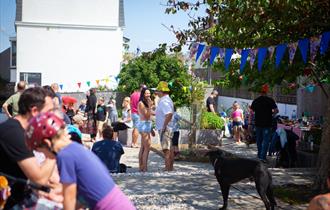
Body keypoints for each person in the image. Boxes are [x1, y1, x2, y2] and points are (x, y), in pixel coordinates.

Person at [25, 112, 135, 210]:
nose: (45, 156)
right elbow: (84, 196)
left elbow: (70, 200)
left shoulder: (65, 155)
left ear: (47, 143)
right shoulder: (76, 149)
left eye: (41, 152)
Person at [0, 87, 57, 209]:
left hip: (22, 197)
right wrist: (54, 150)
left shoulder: (27, 131)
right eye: (50, 111)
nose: (52, 116)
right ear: (35, 111)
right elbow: (39, 178)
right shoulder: (13, 133)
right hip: (10, 204)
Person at [251, 84, 279, 163]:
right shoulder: (270, 100)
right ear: (267, 92)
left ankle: (260, 154)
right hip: (267, 124)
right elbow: (276, 111)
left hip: (258, 123)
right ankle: (262, 157)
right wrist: (272, 115)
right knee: (266, 140)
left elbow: (251, 111)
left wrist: (251, 122)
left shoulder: (256, 100)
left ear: (260, 92)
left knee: (259, 140)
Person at [155, 81, 174, 171]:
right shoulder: (165, 100)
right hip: (168, 127)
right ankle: (170, 167)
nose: (156, 93)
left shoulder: (164, 101)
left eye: (158, 91)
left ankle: (167, 168)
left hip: (166, 128)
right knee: (169, 148)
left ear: (161, 91)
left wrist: (164, 126)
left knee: (166, 149)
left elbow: (169, 114)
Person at [137, 87, 153, 172]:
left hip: (147, 125)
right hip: (144, 125)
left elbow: (150, 115)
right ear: (143, 94)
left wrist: (152, 129)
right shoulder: (141, 103)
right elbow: (147, 116)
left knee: (143, 147)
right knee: (147, 147)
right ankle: (145, 168)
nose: (148, 95)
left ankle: (141, 167)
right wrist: (150, 106)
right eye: (147, 93)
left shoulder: (146, 103)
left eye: (149, 93)